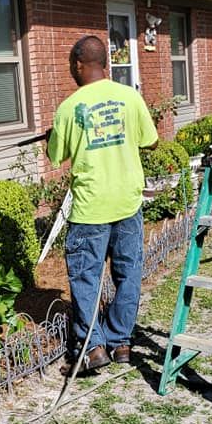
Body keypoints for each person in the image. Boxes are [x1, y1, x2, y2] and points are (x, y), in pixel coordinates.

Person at [46, 34, 158, 372]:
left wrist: (53, 135)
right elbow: (150, 142)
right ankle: (121, 342)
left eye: (71, 65)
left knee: (86, 278)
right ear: (106, 64)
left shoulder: (68, 108)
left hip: (91, 208)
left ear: (79, 65)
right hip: (127, 203)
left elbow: (55, 157)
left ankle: (93, 348)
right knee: (128, 274)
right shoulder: (130, 97)